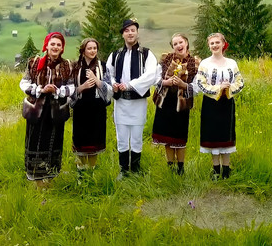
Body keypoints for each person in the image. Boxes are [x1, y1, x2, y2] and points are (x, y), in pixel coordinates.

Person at [178, 33, 244, 179]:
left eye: (217, 42)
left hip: (227, 103)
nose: (214, 45)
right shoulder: (205, 63)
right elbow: (201, 83)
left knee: (226, 135)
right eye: (212, 43)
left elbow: (240, 82)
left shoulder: (232, 63)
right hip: (210, 104)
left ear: (223, 44)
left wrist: (229, 88)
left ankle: (226, 170)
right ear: (209, 46)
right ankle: (216, 170)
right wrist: (218, 89)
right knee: (213, 135)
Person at [20, 32, 74, 187]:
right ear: (47, 45)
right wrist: (41, 90)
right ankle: (36, 180)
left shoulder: (67, 65)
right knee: (35, 142)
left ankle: (50, 179)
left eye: (58, 44)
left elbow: (72, 86)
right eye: (53, 44)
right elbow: (24, 82)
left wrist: (57, 91)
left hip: (56, 111)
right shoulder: (34, 62)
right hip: (36, 110)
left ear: (62, 47)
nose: (55, 47)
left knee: (53, 142)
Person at [106, 18, 157, 178]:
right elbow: (109, 74)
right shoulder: (115, 55)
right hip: (120, 102)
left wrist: (130, 85)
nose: (130, 33)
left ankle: (135, 170)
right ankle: (123, 170)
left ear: (137, 33)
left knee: (136, 136)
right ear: (122, 34)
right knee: (121, 136)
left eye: (133, 30)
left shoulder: (146, 54)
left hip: (138, 102)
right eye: (127, 30)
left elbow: (151, 74)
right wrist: (114, 84)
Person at [152, 33, 200, 175]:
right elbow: (155, 79)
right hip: (165, 102)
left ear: (186, 43)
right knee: (167, 137)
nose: (178, 46)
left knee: (179, 137)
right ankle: (170, 166)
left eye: (180, 42)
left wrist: (183, 84)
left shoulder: (195, 62)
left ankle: (180, 168)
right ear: (172, 47)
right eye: (175, 44)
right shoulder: (166, 59)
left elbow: (197, 86)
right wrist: (165, 82)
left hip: (182, 105)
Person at [70, 38, 113, 171]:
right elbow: (69, 89)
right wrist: (81, 87)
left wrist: (97, 81)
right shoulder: (75, 67)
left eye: (95, 48)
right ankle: (81, 173)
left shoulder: (103, 66)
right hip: (81, 109)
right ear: (83, 51)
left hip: (97, 109)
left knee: (95, 143)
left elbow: (110, 88)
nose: (93, 51)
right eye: (89, 48)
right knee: (81, 142)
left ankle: (92, 172)